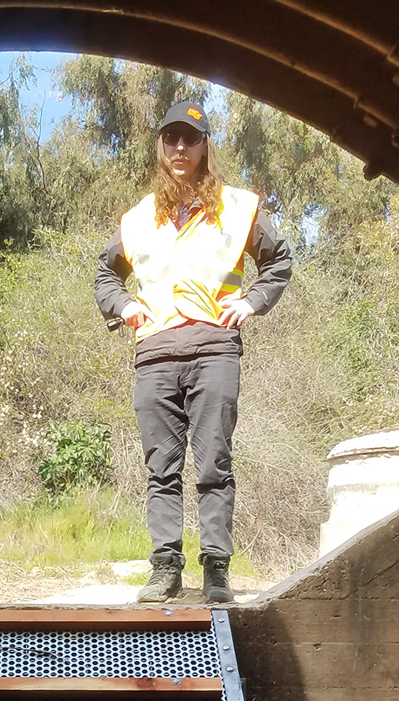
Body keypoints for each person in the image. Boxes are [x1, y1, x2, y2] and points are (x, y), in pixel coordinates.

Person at [95, 101, 292, 603]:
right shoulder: (139, 217)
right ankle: (164, 570)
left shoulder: (240, 205)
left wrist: (251, 302)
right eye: (171, 139)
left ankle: (216, 571)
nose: (180, 148)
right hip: (155, 355)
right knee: (161, 469)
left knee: (213, 465)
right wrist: (123, 305)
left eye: (191, 138)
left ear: (206, 146)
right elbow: (105, 274)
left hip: (215, 350)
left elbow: (278, 262)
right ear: (161, 147)